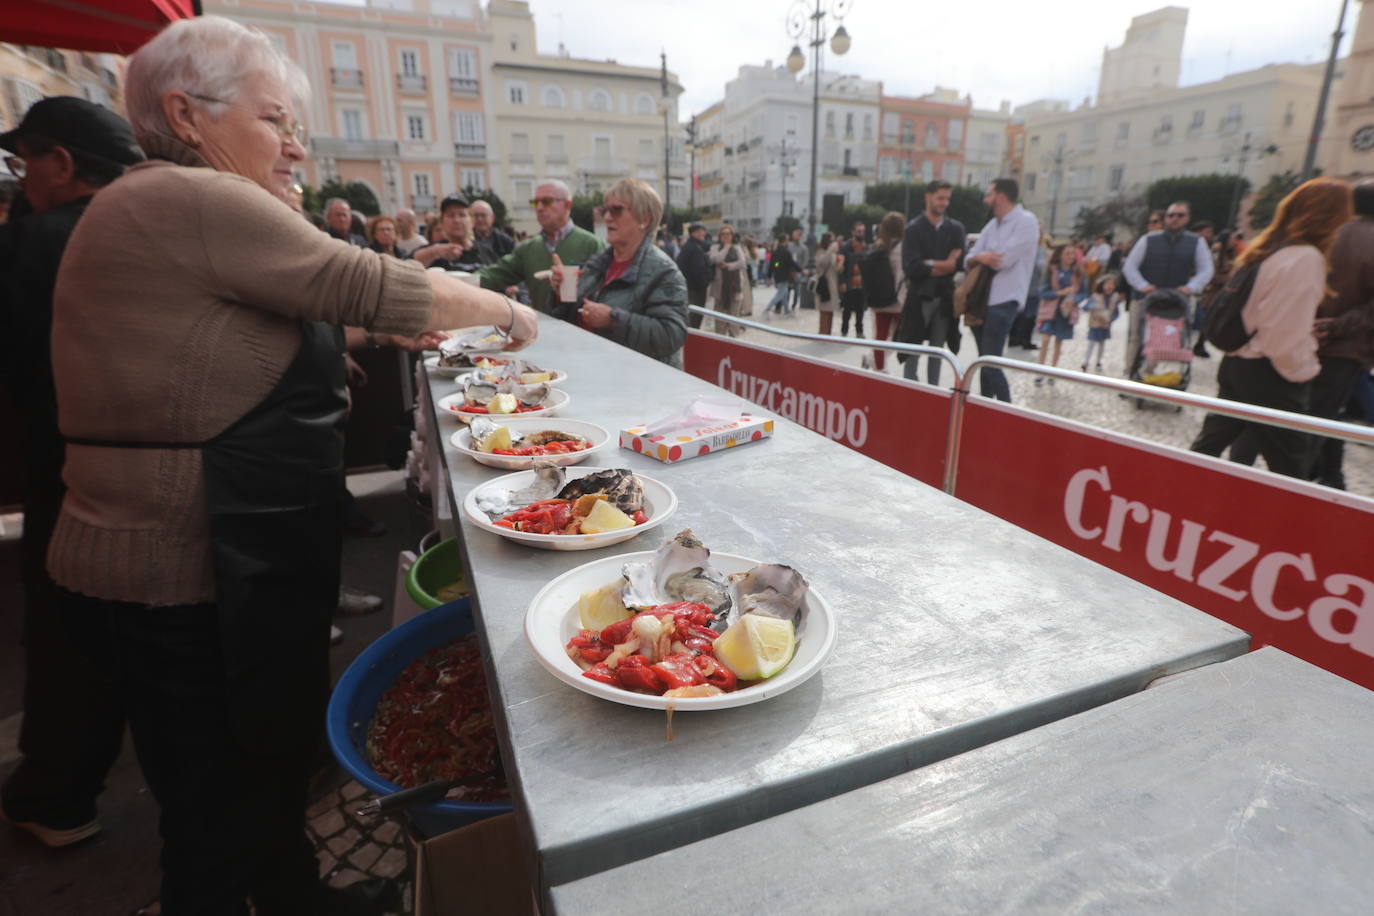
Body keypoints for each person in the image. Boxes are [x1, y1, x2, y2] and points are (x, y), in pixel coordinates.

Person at [44, 16, 538, 914]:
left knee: (255, 777)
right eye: (274, 120)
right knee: (215, 807)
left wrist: (372, 334)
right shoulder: (191, 196)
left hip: (214, 554)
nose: (296, 145)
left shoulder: (154, 205)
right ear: (185, 115)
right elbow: (366, 280)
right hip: (189, 562)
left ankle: (293, 897)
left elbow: (233, 338)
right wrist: (507, 313)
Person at [0, 97, 144, 849]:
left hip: (65, 471)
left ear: (58, 162)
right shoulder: (155, 232)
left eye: (22, 161)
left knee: (68, 636)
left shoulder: (36, 241)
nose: (20, 177)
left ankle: (56, 795)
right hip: (165, 471)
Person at [1189, 179, 1352, 477]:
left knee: (1208, 447)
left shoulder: (1270, 248)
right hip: (1269, 373)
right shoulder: (1305, 258)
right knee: (1291, 469)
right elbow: (1282, 338)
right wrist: (1304, 368)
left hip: (1239, 362)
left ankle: (1172, 493)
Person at [549, 177, 687, 366]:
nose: (606, 217)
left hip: (639, 379)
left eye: (616, 210)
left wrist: (613, 319)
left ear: (645, 219)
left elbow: (671, 335)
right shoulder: (598, 263)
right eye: (605, 210)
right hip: (594, 369)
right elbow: (571, 316)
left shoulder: (664, 271)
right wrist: (561, 293)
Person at [1308, 179, 1374, 489]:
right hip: (1347, 343)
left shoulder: (1328, 234)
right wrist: (1335, 327)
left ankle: (1332, 475)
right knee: (1324, 413)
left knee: (1325, 411)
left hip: (1312, 336)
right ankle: (1307, 477)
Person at [964, 178, 1041, 402]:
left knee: (991, 363)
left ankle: (1006, 410)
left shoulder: (1026, 221)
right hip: (981, 300)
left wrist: (981, 256)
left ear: (1001, 196)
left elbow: (1002, 260)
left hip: (1004, 300)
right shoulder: (992, 225)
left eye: (989, 194)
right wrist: (981, 256)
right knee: (984, 362)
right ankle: (985, 408)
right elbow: (968, 259)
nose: (985, 200)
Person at [480, 178, 603, 312]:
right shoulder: (527, 248)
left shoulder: (592, 244)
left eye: (547, 201)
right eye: (535, 203)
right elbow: (494, 275)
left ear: (567, 205)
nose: (539, 208)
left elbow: (604, 292)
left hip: (579, 324)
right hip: (539, 324)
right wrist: (464, 281)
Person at [1122, 200, 1214, 378]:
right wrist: (1142, 285)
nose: (1175, 219)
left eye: (1180, 215)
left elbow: (1206, 269)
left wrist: (1191, 287)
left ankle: (1150, 373)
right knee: (1136, 337)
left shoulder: (1196, 242)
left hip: (1174, 301)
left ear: (1187, 218)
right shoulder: (1148, 239)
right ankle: (1129, 374)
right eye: (1171, 215)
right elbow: (1130, 266)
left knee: (1163, 338)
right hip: (1144, 298)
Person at [899, 179, 967, 383]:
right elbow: (912, 268)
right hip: (920, 296)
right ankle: (910, 389)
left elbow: (959, 264)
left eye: (947, 198)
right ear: (928, 197)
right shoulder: (914, 229)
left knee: (938, 350)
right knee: (913, 347)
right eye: (940, 198)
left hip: (944, 296)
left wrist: (930, 264)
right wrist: (946, 264)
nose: (944, 203)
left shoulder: (955, 229)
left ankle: (933, 391)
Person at [863, 212, 908, 371]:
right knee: (905, 334)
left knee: (880, 336)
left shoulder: (878, 246)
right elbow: (902, 274)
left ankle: (879, 368)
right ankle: (872, 360)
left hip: (879, 299)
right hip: (897, 300)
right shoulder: (903, 247)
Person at [1035, 243, 1083, 382]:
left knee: (1059, 341)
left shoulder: (1077, 272)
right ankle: (1040, 370)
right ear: (1060, 255)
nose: (1070, 257)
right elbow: (1043, 291)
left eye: (1072, 254)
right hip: (1051, 310)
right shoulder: (1052, 270)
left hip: (1066, 312)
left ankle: (1053, 371)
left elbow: (1082, 292)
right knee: (1045, 338)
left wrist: (1073, 299)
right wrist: (1060, 293)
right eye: (1067, 253)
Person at [412, 192, 482, 270]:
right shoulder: (435, 250)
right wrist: (434, 252)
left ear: (472, 221)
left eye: (462, 215)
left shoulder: (485, 250)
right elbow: (408, 265)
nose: (456, 220)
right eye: (450, 215)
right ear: (442, 222)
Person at [707, 224, 750, 337]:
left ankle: (733, 341)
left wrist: (728, 266)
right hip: (720, 289)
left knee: (734, 319)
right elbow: (715, 259)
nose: (726, 236)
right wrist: (726, 248)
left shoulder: (737, 248)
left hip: (735, 288)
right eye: (723, 234)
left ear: (732, 235)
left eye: (728, 233)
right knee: (719, 320)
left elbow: (742, 263)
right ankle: (720, 341)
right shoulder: (715, 247)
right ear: (719, 236)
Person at [1082, 273, 1123, 373]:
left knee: (1102, 344)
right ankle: (1086, 361)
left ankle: (1098, 362)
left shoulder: (1114, 298)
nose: (1109, 287)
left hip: (1105, 325)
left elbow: (1116, 313)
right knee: (1091, 343)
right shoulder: (1095, 296)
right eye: (1107, 284)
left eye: (1112, 284)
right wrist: (1093, 307)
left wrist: (1111, 318)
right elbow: (1085, 307)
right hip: (1095, 324)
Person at [676, 222, 713, 329]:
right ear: (694, 233)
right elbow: (698, 270)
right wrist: (706, 282)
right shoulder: (696, 248)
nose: (703, 234)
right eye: (700, 232)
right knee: (695, 318)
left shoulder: (688, 246)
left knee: (690, 316)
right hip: (696, 289)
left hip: (688, 286)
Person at [469, 199, 515, 266]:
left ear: (492, 218)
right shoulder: (465, 240)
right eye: (476, 215)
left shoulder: (505, 242)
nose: (479, 219)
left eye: (483, 215)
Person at [838, 234, 868, 338]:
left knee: (860, 310)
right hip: (850, 285)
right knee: (847, 310)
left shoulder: (865, 253)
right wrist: (843, 282)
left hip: (861, 286)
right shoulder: (847, 253)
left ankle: (859, 331)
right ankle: (844, 330)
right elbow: (842, 270)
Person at [813, 232, 842, 335]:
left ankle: (828, 334)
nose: (833, 243)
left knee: (830, 311)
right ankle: (822, 334)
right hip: (824, 286)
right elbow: (822, 263)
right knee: (824, 311)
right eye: (831, 240)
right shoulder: (820, 251)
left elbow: (836, 269)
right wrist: (830, 250)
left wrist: (840, 265)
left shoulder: (833, 253)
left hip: (833, 286)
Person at [765, 235, 800, 316]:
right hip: (784, 276)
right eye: (787, 240)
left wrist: (770, 276)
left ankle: (786, 310)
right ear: (785, 241)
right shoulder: (786, 252)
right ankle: (767, 309)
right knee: (780, 294)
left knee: (785, 293)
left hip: (777, 275)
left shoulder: (775, 252)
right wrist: (801, 270)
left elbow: (773, 265)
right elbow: (792, 263)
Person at [788, 227, 810, 310]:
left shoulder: (804, 248)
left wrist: (801, 269)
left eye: (796, 235)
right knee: (788, 288)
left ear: (799, 236)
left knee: (797, 289)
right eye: (794, 235)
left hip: (798, 271)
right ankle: (786, 304)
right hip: (790, 271)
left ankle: (794, 304)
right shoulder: (789, 246)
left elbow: (805, 260)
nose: (794, 237)